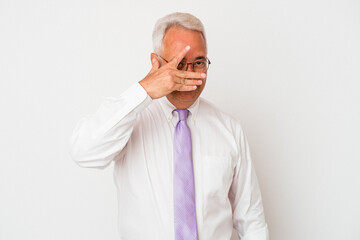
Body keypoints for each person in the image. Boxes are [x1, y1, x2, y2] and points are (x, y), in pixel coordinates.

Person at [70, 12, 269, 240]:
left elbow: (252, 221)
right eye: (179, 64)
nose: (190, 75)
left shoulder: (229, 129)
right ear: (156, 63)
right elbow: (83, 151)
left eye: (199, 63)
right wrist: (144, 90)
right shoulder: (130, 121)